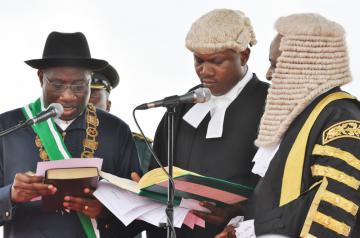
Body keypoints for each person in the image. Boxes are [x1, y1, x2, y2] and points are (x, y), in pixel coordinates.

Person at [216, 13, 360, 238]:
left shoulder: (342, 119)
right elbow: (279, 199)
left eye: (276, 65)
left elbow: (332, 209)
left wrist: (253, 229)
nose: (268, 75)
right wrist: (241, 218)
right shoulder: (299, 117)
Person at [0, 31, 142, 238]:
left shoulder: (116, 130)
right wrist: (10, 195)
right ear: (41, 77)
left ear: (90, 80)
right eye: (57, 85)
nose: (67, 96)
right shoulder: (8, 127)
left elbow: (141, 213)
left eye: (78, 85)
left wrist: (105, 212)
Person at [147, 9, 269, 237]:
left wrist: (240, 214)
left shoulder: (272, 104)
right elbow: (158, 170)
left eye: (216, 61)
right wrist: (145, 188)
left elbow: (283, 188)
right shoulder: (183, 104)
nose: (204, 71)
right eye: (198, 60)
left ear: (244, 56)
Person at [89, 64, 153, 173]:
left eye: (92, 95)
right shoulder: (52, 136)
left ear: (107, 105)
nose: (84, 100)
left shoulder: (139, 146)